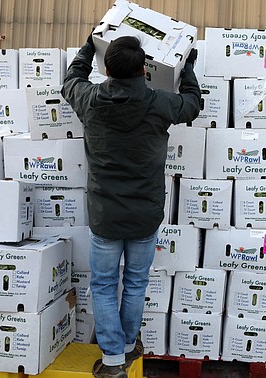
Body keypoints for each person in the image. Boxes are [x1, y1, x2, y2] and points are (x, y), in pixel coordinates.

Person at [62, 33, 201, 378]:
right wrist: (188, 69)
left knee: (105, 284)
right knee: (136, 282)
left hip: (105, 216)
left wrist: (87, 48)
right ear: (145, 69)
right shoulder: (160, 103)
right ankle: (126, 347)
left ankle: (112, 361)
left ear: (106, 68)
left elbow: (70, 81)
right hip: (145, 213)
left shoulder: (90, 99)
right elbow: (192, 103)